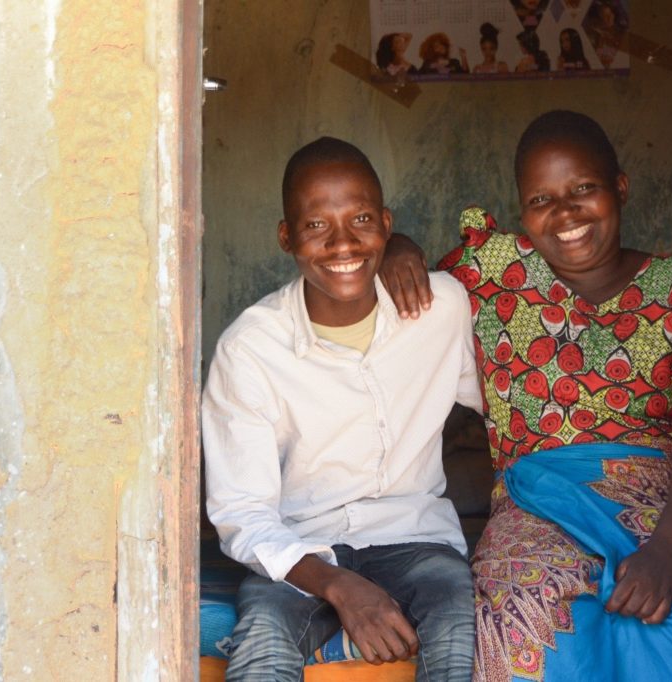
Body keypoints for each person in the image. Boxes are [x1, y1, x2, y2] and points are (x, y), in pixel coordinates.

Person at [380, 111, 672, 680]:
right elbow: (409, 270)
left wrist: (667, 548)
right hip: (536, 504)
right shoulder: (494, 271)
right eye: (542, 199)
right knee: (524, 610)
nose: (565, 214)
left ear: (620, 188)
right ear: (522, 213)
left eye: (584, 189)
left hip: (663, 505)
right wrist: (399, 244)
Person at [203, 137, 481, 681]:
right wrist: (339, 586)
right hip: (301, 549)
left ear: (385, 222)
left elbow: (515, 405)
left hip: (416, 538)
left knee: (459, 627)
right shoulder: (251, 348)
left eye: (360, 220)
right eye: (315, 226)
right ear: (286, 237)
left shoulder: (441, 307)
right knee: (262, 638)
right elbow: (242, 514)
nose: (342, 243)